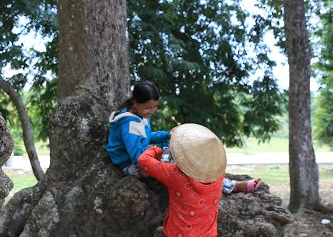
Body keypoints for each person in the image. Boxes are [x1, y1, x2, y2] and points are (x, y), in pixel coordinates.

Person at [106, 81, 261, 193]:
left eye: (155, 107)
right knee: (185, 167)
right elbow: (138, 158)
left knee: (183, 158)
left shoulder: (140, 115)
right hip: (132, 166)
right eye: (147, 107)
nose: (151, 111)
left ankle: (224, 182)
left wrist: (168, 134)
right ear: (135, 102)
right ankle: (230, 186)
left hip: (143, 157)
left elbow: (146, 137)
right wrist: (161, 157)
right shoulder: (129, 124)